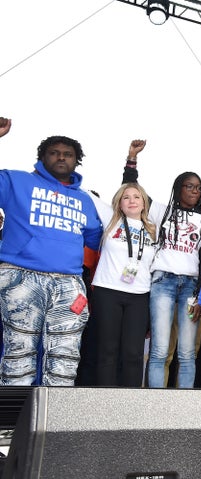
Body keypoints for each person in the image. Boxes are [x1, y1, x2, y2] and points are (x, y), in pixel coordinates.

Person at [0, 120, 103, 385]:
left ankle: (57, 421)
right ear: (42, 157)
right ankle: (12, 422)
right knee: (19, 348)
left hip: (68, 282)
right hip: (22, 276)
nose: (61, 157)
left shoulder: (85, 200)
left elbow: (93, 237)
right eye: (54, 152)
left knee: (66, 354)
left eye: (68, 154)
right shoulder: (16, 181)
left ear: (76, 161)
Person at [123, 140, 201, 388]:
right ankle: (156, 404)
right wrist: (132, 158)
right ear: (178, 188)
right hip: (163, 281)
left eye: (198, 187)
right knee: (159, 349)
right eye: (189, 186)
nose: (194, 191)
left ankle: (182, 406)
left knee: (187, 352)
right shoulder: (162, 211)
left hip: (190, 287)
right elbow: (132, 190)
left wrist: (200, 296)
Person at [90, 182, 157, 386]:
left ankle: (131, 403)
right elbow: (86, 194)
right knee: (107, 350)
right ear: (119, 203)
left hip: (139, 294)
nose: (132, 201)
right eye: (126, 197)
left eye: (137, 197)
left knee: (134, 353)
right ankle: (105, 400)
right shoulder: (111, 218)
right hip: (107, 291)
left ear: (144, 203)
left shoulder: (154, 229)